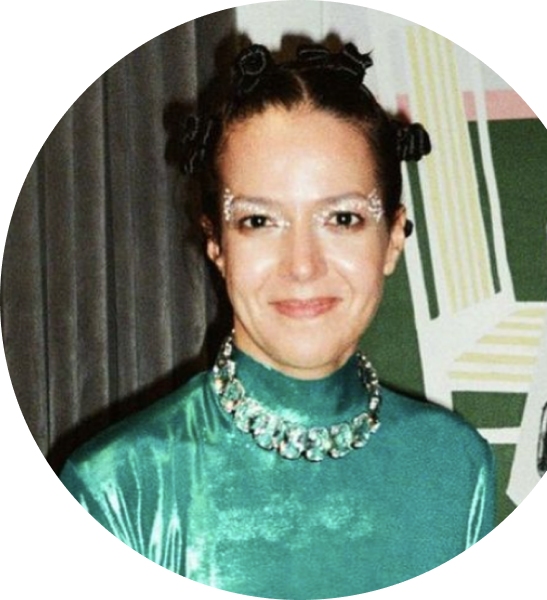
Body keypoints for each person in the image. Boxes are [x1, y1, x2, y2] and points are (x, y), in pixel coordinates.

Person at [59, 41, 495, 595]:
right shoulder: (117, 484)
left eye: (342, 218)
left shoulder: (453, 464)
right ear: (217, 244)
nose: (302, 265)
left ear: (393, 237)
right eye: (259, 221)